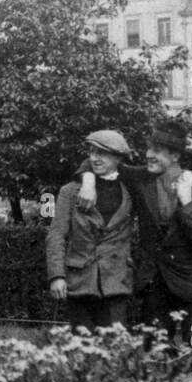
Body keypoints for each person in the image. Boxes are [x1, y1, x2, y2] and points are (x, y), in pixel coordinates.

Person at [75, 120, 192, 360]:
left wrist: (186, 202)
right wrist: (88, 182)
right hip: (154, 285)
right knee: (155, 351)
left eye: (157, 151)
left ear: (174, 155)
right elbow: (98, 161)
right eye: (149, 149)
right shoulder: (140, 179)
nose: (149, 155)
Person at [45, 130, 135, 330]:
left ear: (118, 157)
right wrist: (57, 276)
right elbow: (57, 235)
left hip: (116, 282)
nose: (94, 158)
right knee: (81, 349)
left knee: (114, 348)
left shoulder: (131, 188)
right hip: (80, 282)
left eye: (102, 153)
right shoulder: (70, 191)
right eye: (92, 152)